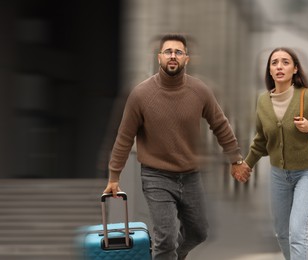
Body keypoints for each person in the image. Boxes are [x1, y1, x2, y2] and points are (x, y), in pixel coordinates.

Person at [103, 34, 251, 260]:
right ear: (159, 57)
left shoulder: (200, 91)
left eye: (178, 52)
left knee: (199, 232)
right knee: (166, 237)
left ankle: (169, 257)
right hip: (156, 176)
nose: (173, 56)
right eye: (168, 52)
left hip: (191, 176)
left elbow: (220, 125)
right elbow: (124, 137)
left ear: (186, 59)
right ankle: (166, 254)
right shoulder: (141, 95)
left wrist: (236, 159)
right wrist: (114, 176)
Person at [233, 47, 308, 260]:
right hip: (278, 176)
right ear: (270, 71)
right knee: (282, 234)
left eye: (285, 62)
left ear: (295, 69)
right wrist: (247, 164)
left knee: (297, 233)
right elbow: (261, 140)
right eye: (274, 63)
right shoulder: (263, 101)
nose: (279, 66)